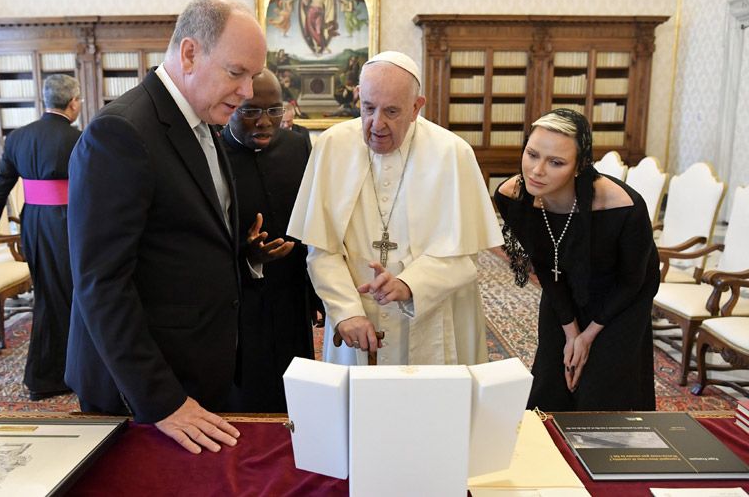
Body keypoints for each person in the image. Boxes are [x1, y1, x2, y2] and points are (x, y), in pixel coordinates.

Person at [66, 0, 269, 454]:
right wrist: (161, 401)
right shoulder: (120, 133)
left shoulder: (201, 122)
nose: (248, 91)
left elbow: (183, 235)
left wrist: (244, 252)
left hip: (194, 371)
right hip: (141, 394)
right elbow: (101, 283)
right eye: (237, 72)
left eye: (253, 76)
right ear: (190, 54)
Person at [288, 51, 503, 366]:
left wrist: (409, 284)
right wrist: (346, 311)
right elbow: (321, 249)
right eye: (368, 108)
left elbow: (464, 259)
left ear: (417, 107)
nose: (377, 125)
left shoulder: (452, 154)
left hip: (431, 321)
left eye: (391, 111)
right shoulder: (332, 147)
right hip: (356, 322)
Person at [494, 108, 658, 411]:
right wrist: (571, 332)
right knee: (550, 381)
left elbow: (634, 280)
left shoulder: (623, 206)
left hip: (621, 299)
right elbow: (544, 265)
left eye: (556, 162)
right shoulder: (512, 197)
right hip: (562, 289)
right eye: (532, 154)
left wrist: (587, 337)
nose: (537, 171)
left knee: (601, 393)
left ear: (579, 166)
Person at [0, 74, 82, 401]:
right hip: (67, 222)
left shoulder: (18, 138)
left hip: (33, 224)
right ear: (73, 102)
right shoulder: (79, 139)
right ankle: (58, 374)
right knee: (73, 295)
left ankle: (48, 374)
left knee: (48, 293)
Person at [220, 68, 321, 412]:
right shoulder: (215, 154)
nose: (264, 122)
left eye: (274, 110)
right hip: (240, 291)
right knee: (251, 383)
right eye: (250, 112)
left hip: (292, 286)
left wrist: (315, 292)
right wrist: (249, 255)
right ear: (231, 108)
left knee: (296, 377)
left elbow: (312, 218)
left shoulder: (299, 146)